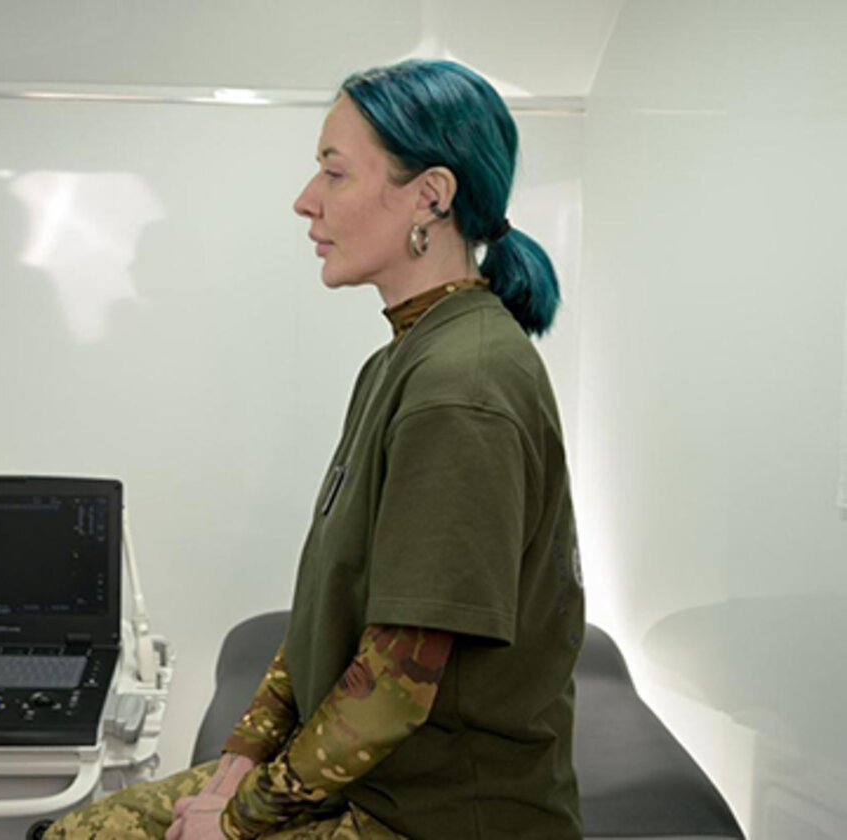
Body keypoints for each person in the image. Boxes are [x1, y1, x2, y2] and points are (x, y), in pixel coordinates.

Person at [46, 58, 584, 840]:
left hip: (437, 819)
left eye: (334, 172)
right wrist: (240, 757)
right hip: (367, 782)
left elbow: (393, 690)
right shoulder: (400, 361)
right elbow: (323, 618)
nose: (306, 199)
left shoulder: (460, 389)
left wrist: (236, 820)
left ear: (431, 195)